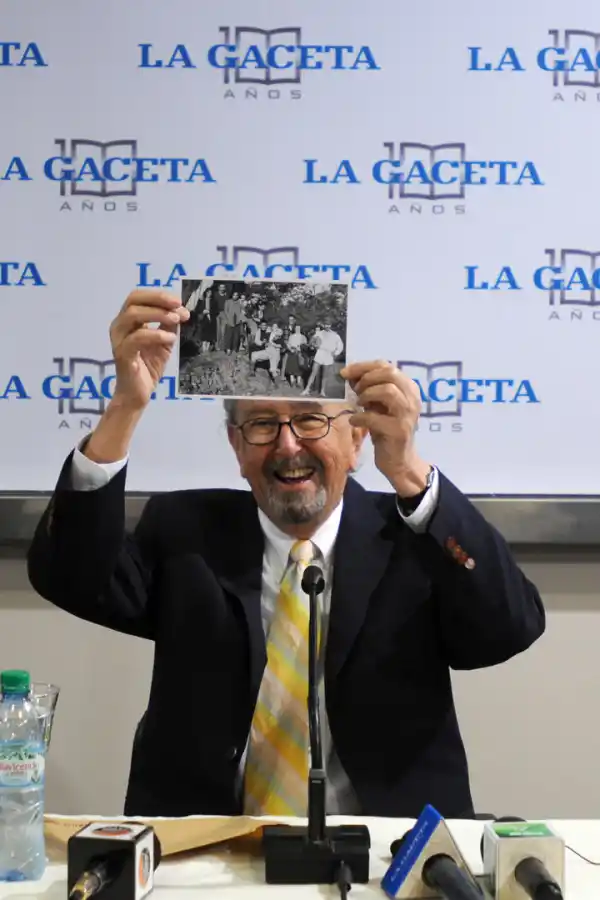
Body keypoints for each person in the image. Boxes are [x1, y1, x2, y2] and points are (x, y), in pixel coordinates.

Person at [26, 289, 545, 820]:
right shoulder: (186, 531)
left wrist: (411, 474)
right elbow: (69, 575)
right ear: (236, 446)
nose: (289, 445)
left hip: (389, 851)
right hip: (208, 848)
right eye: (262, 424)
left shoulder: (415, 535)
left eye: (311, 420)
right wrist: (125, 408)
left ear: (356, 438)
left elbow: (509, 629)